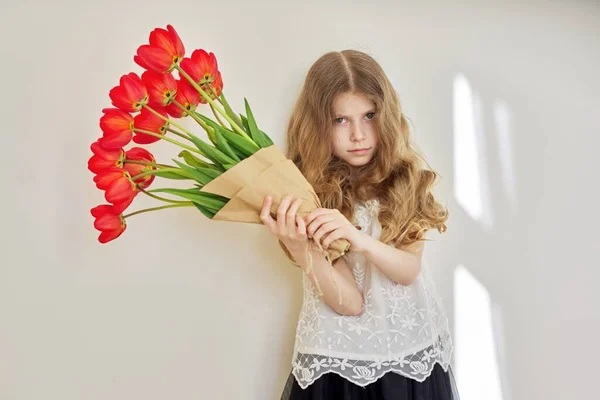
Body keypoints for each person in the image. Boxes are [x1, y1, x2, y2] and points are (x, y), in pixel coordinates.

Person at [260, 50, 460, 399]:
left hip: (408, 357)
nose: (358, 134)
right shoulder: (308, 194)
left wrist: (357, 237)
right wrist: (301, 248)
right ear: (318, 124)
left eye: (369, 116)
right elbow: (350, 304)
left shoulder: (405, 180)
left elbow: (409, 269)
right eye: (340, 120)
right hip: (336, 361)